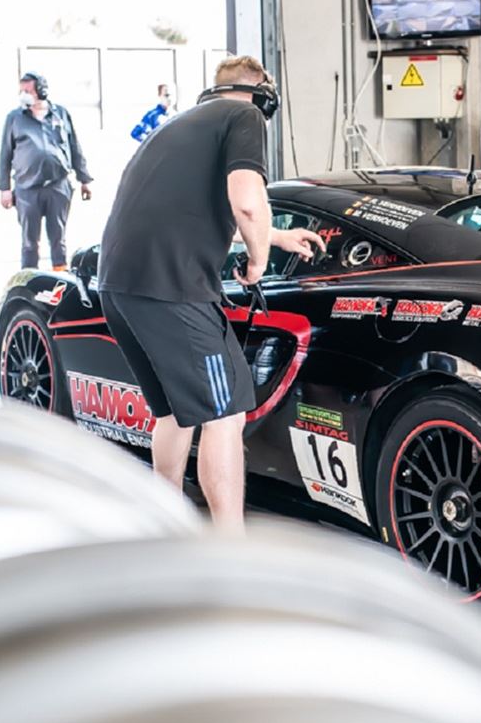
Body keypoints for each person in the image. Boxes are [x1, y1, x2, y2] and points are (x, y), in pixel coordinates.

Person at [97, 56, 325, 530]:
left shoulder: (177, 126)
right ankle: (230, 544)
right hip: (174, 289)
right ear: (261, 96)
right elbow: (247, 201)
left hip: (119, 286)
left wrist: (277, 236)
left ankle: (165, 523)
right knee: (225, 414)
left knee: (175, 413)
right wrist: (259, 260)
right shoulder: (244, 116)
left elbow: (193, 212)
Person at [0, 72, 93, 271]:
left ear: (41, 91)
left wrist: (84, 179)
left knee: (58, 238)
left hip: (58, 185)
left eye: (28, 90)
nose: (24, 95)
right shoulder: (15, 118)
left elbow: (74, 146)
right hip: (27, 188)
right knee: (29, 241)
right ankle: (29, 277)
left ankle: (60, 277)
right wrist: (5, 188)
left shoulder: (60, 114)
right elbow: (5, 154)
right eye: (21, 91)